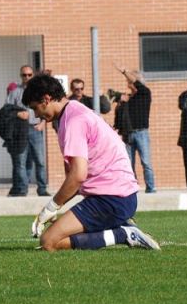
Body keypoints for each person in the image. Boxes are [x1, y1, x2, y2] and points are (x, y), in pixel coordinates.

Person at [23, 74, 161, 252]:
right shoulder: (73, 112)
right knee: (54, 237)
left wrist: (49, 208)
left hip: (111, 199)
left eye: (35, 108)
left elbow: (78, 176)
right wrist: (56, 208)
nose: (36, 114)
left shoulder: (73, 120)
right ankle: (120, 224)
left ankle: (124, 234)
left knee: (49, 242)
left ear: (46, 99)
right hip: (115, 196)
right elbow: (76, 179)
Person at [5, 65, 49, 197]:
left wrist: (43, 123)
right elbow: (7, 110)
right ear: (20, 76)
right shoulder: (15, 92)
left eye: (29, 75)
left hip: (36, 129)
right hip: (20, 131)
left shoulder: (40, 92)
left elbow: (48, 109)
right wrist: (17, 114)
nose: (27, 77)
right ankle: (22, 190)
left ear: (33, 75)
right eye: (24, 75)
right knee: (21, 162)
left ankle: (42, 189)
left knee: (40, 161)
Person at [114, 64, 156, 193]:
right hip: (127, 134)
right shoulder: (127, 98)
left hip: (141, 132)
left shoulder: (144, 93)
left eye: (131, 81)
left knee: (146, 162)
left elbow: (136, 82)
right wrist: (120, 103)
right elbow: (119, 117)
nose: (129, 83)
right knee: (128, 163)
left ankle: (151, 187)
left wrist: (124, 72)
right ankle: (132, 188)